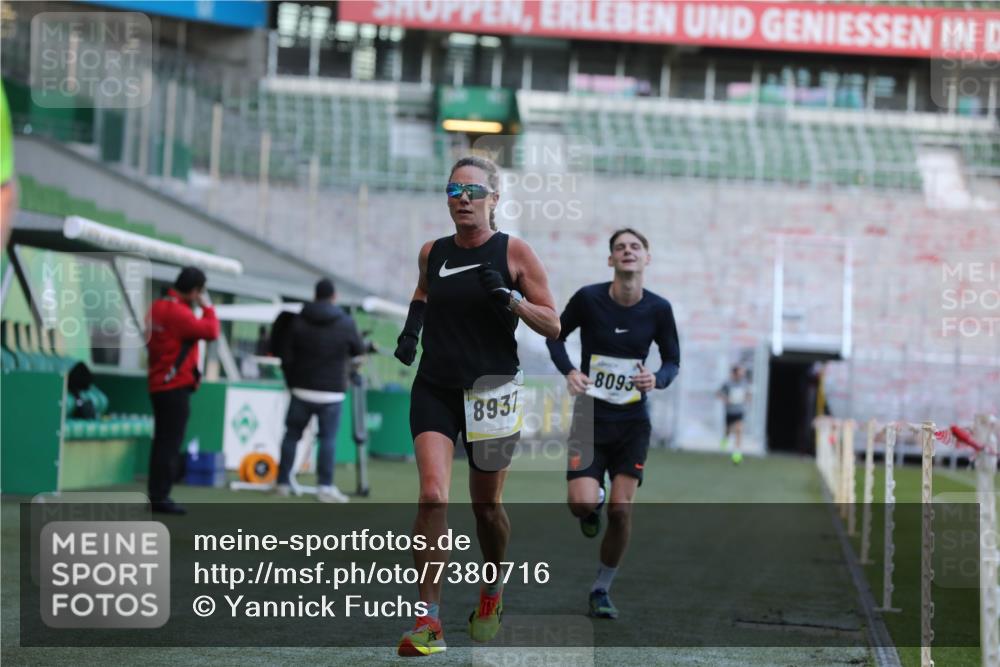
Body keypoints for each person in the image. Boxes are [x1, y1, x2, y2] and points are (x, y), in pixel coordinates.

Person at [393, 155, 560, 656]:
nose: (463, 199)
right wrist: (411, 330)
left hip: (492, 390)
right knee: (432, 496)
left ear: (494, 200)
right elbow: (424, 289)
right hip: (436, 386)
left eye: (473, 191)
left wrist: (510, 299)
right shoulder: (432, 251)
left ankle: (492, 588)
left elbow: (553, 324)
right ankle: (429, 622)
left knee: (486, 507)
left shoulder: (515, 252)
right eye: (454, 190)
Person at [546, 228, 680, 620]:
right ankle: (594, 505)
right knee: (581, 503)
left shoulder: (659, 309)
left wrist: (657, 378)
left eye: (635, 247)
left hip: (632, 423)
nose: (627, 252)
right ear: (610, 260)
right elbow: (555, 336)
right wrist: (570, 371)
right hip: (589, 417)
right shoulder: (588, 299)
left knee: (622, 511)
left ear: (646, 259)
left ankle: (601, 589)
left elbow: (672, 360)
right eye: (620, 247)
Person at [275, 278, 364, 503]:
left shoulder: (298, 320)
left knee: (291, 435)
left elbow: (286, 354)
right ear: (334, 297)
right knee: (328, 439)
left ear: (315, 295)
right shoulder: (346, 322)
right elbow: (358, 351)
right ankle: (324, 487)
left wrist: (291, 381)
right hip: (332, 392)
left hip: (301, 389)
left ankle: (282, 483)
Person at [146, 266, 220, 514]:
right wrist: (208, 307)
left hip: (157, 382)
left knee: (161, 441)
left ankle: (156, 494)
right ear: (195, 290)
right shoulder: (179, 313)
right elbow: (212, 331)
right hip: (175, 385)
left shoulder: (157, 307)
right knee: (170, 443)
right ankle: (160, 497)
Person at [718, 365, 751, 464]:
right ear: (735, 373)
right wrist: (726, 399)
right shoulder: (727, 383)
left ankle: (737, 455)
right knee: (728, 430)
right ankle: (725, 439)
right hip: (730, 412)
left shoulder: (744, 383)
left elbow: (748, 394)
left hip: (739, 411)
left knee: (739, 430)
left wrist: (747, 398)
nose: (742, 375)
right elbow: (719, 393)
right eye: (740, 373)